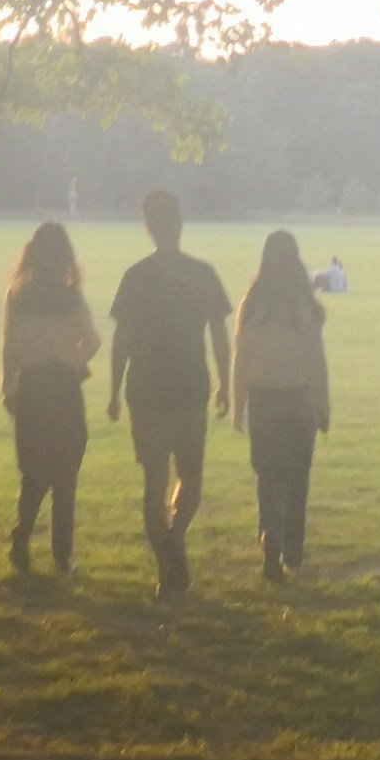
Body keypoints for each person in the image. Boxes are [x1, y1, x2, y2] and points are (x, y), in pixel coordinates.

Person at [104, 187, 231, 594]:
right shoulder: (202, 273)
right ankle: (176, 540)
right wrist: (226, 383)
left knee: (154, 481)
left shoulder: (136, 276)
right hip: (191, 387)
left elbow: (121, 340)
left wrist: (113, 390)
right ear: (179, 224)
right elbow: (219, 336)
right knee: (190, 478)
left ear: (149, 228)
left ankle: (167, 566)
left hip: (146, 390)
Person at [231, 228, 332, 583]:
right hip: (299, 401)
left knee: (268, 476)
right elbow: (316, 361)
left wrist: (237, 402)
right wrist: (323, 406)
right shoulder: (303, 308)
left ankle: (269, 534)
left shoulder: (251, 305)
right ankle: (293, 550)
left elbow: (240, 359)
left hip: (263, 400)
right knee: (297, 480)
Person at [0, 218, 98, 576]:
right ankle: (62, 556)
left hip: (32, 386)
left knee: (34, 471)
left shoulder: (18, 295)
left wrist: (7, 387)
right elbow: (93, 341)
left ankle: (21, 538)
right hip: (64, 387)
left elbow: (9, 347)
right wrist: (74, 360)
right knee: (66, 474)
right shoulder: (71, 297)